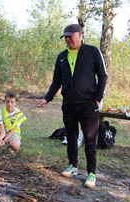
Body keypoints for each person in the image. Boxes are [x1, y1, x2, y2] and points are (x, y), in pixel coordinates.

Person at [38, 24, 107, 188]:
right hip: (69, 104)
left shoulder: (92, 51)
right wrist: (46, 98)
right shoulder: (61, 56)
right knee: (71, 136)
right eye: (66, 37)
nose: (68, 40)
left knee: (90, 139)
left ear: (80, 35)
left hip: (88, 105)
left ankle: (91, 174)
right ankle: (73, 165)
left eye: (70, 36)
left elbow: (103, 75)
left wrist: (97, 98)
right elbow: (56, 81)